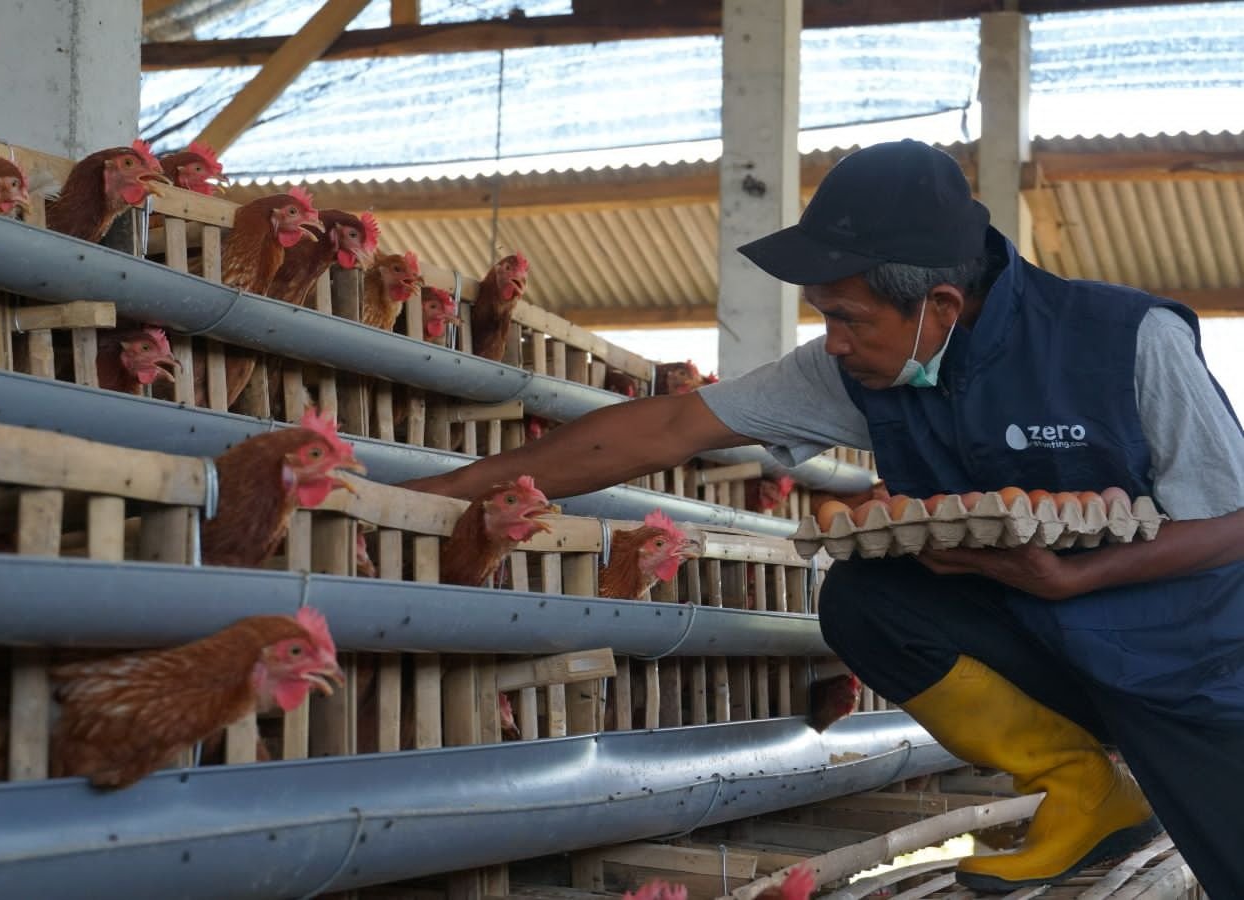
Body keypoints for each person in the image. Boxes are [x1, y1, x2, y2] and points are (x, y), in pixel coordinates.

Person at [402, 139, 1244, 895]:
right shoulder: (862, 366)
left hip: (1196, 667)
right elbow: (668, 426)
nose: (831, 340)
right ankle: (1085, 792)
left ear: (939, 306)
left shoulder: (1125, 340)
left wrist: (1076, 577)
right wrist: (453, 491)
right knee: (869, 597)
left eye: (846, 317)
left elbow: (1236, 520)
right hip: (1053, 645)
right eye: (823, 315)